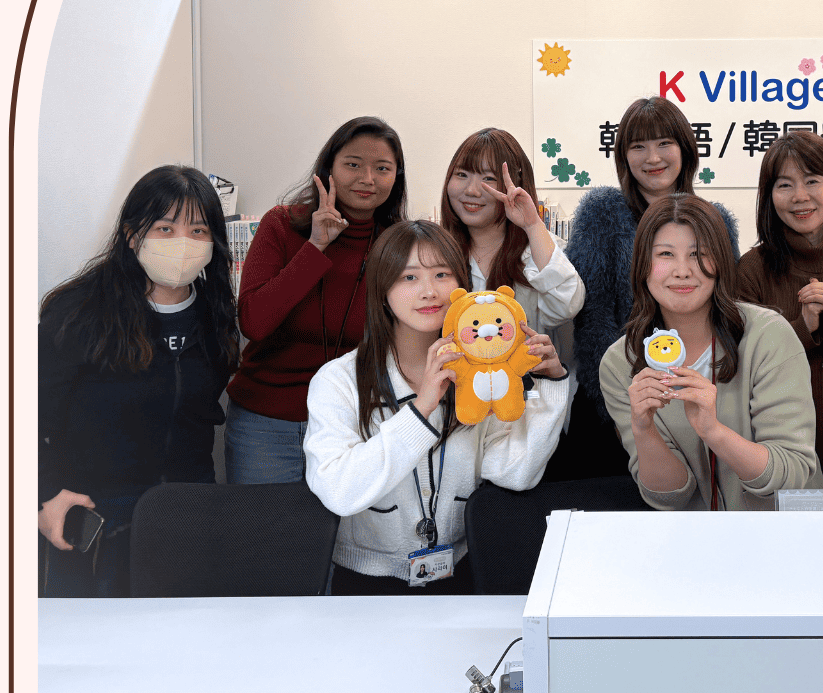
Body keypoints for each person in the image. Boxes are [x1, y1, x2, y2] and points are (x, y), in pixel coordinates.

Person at [303, 221, 570, 592]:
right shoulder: (338, 380)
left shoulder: (481, 378)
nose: (429, 291)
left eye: (442, 274)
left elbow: (514, 472)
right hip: (367, 581)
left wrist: (551, 385)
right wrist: (422, 409)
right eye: (409, 277)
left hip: (462, 571)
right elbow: (338, 490)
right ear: (382, 290)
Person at [37, 165, 238, 595]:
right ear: (132, 235)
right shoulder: (79, 311)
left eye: (198, 231)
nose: (183, 242)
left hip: (184, 511)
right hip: (93, 514)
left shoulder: (216, 314)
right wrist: (45, 492)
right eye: (165, 228)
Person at [599, 194, 820, 510]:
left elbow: (792, 474)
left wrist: (712, 431)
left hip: (785, 529)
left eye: (698, 254)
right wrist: (643, 429)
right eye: (665, 254)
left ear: (720, 262)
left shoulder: (768, 335)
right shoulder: (621, 363)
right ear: (642, 265)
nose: (682, 271)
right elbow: (669, 497)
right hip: (692, 536)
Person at [225, 116, 406, 484]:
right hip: (267, 424)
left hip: (354, 422)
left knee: (344, 525)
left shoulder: (400, 245)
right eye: (353, 165)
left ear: (396, 177)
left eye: (382, 168)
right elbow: (255, 322)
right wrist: (316, 246)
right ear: (329, 170)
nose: (367, 179)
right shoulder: (281, 225)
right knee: (265, 522)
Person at [566, 97, 740, 475]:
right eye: (638, 146)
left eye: (664, 143)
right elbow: (593, 319)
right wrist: (618, 406)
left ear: (685, 149)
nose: (653, 157)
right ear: (623, 157)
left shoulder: (716, 221)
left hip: (693, 402)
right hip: (610, 408)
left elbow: (725, 315)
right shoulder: (602, 212)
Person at [735, 130, 823, 488]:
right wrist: (799, 329)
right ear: (769, 196)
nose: (800, 197)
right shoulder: (751, 269)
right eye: (785, 185)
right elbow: (740, 367)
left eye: (812, 181)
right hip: (783, 453)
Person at [439, 127, 585, 367]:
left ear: (515, 185)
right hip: (454, 387)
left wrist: (532, 224)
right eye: (462, 174)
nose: (472, 190)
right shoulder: (435, 251)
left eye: (488, 178)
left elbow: (566, 306)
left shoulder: (539, 248)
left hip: (528, 387)